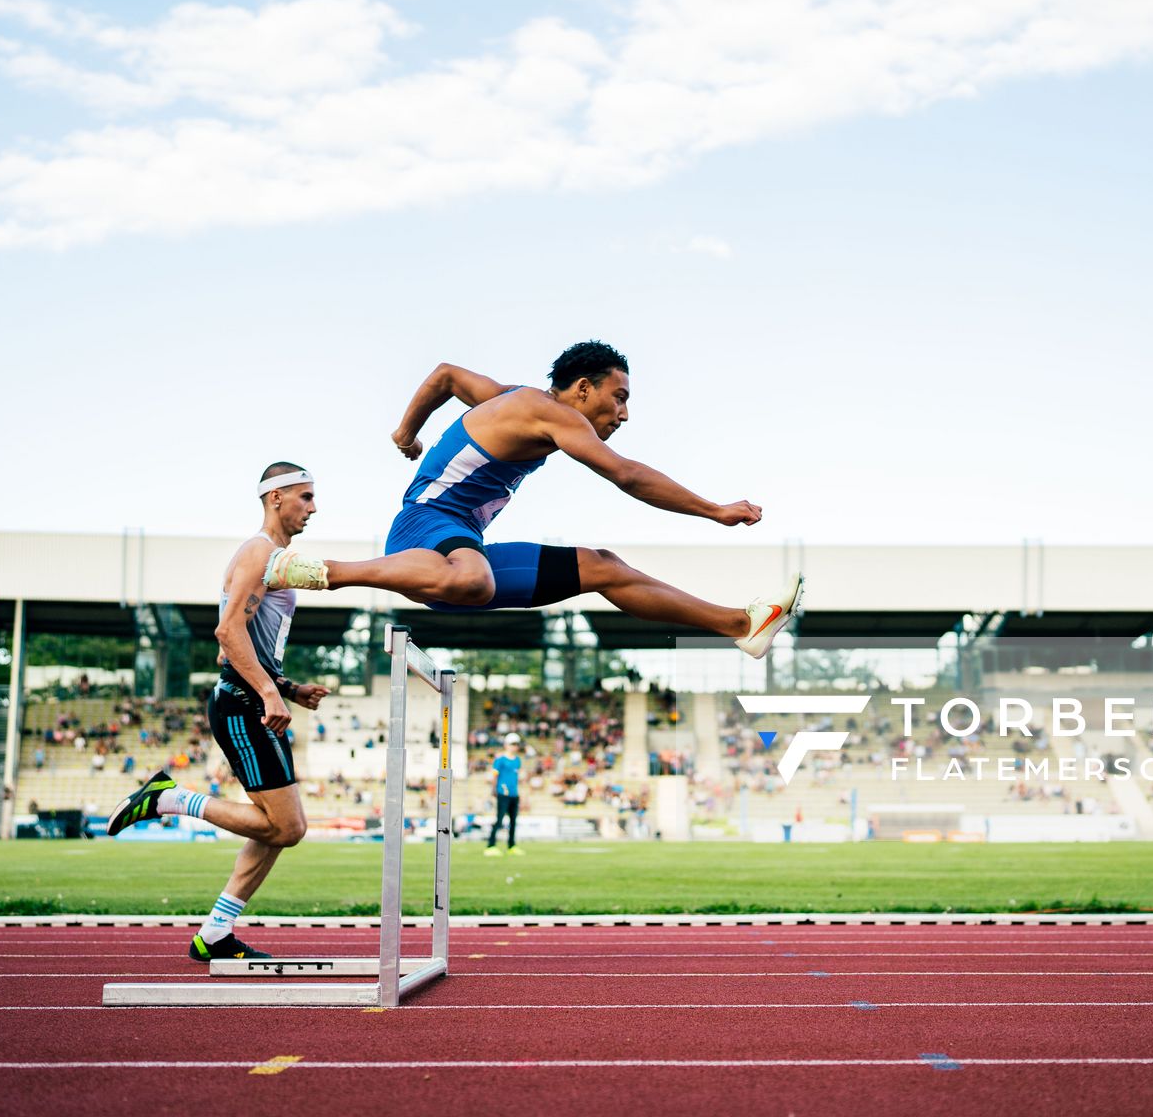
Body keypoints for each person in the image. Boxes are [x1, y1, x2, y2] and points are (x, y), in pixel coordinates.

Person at [264, 342, 804, 654]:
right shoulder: (550, 412)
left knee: (604, 568)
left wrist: (407, 434)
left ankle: (740, 624)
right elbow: (627, 476)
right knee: (474, 577)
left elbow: (446, 375)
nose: (624, 413)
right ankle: (320, 571)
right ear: (583, 389)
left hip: (462, 544)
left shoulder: (509, 400)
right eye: (619, 398)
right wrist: (715, 510)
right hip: (425, 530)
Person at [106, 462, 331, 963]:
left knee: (275, 828)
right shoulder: (258, 552)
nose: (314, 508)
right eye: (306, 496)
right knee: (288, 829)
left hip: (252, 697)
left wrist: (288, 688)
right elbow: (227, 635)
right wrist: (270, 696)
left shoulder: (271, 557)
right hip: (243, 703)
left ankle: (216, 932)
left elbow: (242, 644)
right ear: (275, 498)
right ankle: (168, 799)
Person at [485, 732, 524, 857]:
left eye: (516, 744)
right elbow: (494, 776)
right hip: (503, 793)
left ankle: (511, 845)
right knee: (499, 820)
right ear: (506, 745)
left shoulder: (518, 760)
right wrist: (494, 790)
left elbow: (517, 778)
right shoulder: (500, 760)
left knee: (513, 821)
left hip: (514, 794)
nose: (514, 746)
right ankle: (491, 846)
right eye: (512, 744)